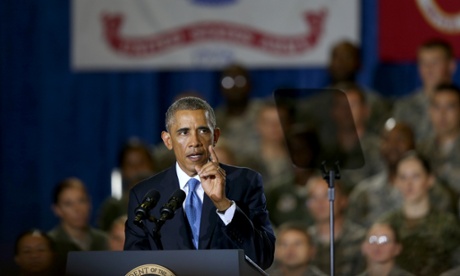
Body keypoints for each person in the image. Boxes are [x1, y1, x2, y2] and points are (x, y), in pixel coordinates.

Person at [124, 97, 275, 269]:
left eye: (203, 131)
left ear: (215, 136)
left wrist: (224, 205)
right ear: (168, 140)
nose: (195, 142)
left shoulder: (245, 182)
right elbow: (134, 265)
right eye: (183, 132)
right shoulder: (144, 194)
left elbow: (263, 257)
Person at [348, 121, 455, 227]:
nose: (392, 145)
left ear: (413, 144)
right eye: (386, 139)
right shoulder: (363, 194)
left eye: (400, 140)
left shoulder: (435, 193)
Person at [379, 151, 460, 276]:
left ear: (430, 180)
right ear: (396, 182)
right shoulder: (386, 225)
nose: (408, 184)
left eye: (415, 176)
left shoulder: (448, 224)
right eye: (403, 177)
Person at [393, 39, 457, 142]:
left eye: (435, 62)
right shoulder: (405, 107)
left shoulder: (458, 103)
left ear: (451, 66)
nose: (429, 69)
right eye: (423, 63)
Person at [306, 175, 366, 275]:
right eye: (314, 197)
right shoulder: (302, 241)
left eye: (327, 196)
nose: (320, 203)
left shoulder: (361, 239)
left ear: (343, 200)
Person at [49, 177, 108, 272]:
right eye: (68, 204)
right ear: (57, 209)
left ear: (90, 204)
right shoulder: (50, 245)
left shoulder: (104, 241)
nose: (77, 209)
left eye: (82, 201)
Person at [98, 139, 157, 231]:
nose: (137, 169)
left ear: (152, 165)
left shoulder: (170, 200)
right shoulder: (113, 208)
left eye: (141, 163)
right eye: (130, 165)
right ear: (122, 171)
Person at [214, 63, 263, 165]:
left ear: (249, 85)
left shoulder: (263, 114)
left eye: (240, 81)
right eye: (228, 82)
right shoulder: (213, 120)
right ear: (220, 87)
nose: (234, 86)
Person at [419, 83, 460, 199]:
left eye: (450, 107)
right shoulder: (420, 151)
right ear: (429, 111)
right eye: (437, 107)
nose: (442, 114)